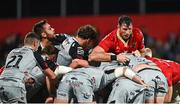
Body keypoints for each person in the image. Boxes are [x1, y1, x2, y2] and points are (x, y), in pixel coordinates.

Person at [0, 32, 56, 103]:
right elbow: (52, 75)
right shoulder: (34, 53)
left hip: (1, 82)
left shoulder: (12, 51)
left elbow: (9, 69)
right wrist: (53, 94)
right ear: (35, 43)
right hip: (16, 84)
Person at [54, 61, 147, 103]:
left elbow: (58, 69)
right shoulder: (105, 74)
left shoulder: (84, 68)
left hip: (68, 77)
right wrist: (141, 82)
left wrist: (52, 92)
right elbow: (124, 70)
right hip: (84, 81)